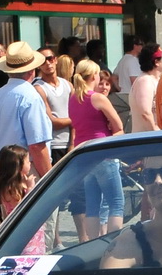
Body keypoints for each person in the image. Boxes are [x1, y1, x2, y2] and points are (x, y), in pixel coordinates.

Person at [68, 58, 126, 239]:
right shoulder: (97, 98)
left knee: (92, 204)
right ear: (94, 75)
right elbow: (119, 128)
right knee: (116, 202)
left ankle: (92, 243)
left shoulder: (73, 99)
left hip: (85, 154)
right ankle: (113, 241)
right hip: (103, 153)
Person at [0, 42, 53, 180]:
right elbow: (36, 145)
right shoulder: (30, 96)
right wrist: (50, 179)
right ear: (32, 69)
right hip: (23, 171)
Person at [34, 54, 74, 161]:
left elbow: (77, 113)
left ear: (55, 60)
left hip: (72, 143)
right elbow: (53, 123)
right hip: (53, 145)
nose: (48, 63)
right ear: (38, 65)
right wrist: (75, 119)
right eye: (43, 61)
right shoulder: (38, 88)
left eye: (50, 59)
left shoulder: (68, 85)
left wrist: (72, 143)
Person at [111, 36, 147, 128]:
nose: (143, 47)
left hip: (122, 96)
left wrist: (121, 88)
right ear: (135, 46)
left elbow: (114, 77)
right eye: (141, 44)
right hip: (131, 97)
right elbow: (134, 81)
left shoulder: (122, 60)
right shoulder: (133, 60)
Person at [128, 43, 162, 133]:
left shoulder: (157, 80)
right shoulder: (145, 81)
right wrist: (157, 133)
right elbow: (145, 112)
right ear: (156, 62)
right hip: (146, 140)